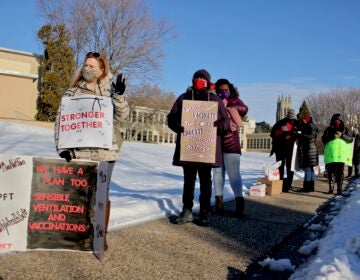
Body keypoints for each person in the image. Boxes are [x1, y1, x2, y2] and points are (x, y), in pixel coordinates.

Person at [54, 52, 129, 247]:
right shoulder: (72, 93)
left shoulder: (110, 92)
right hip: (81, 151)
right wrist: (62, 147)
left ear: (102, 70)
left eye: (92, 66)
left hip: (106, 152)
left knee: (102, 194)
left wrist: (119, 96)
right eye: (85, 65)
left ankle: (100, 235)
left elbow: (123, 117)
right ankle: (80, 232)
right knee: (81, 194)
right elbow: (61, 120)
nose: (87, 69)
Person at [167, 69, 230, 226]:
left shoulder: (214, 100)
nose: (199, 80)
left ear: (208, 81)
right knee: (188, 181)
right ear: (193, 80)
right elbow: (171, 118)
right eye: (197, 78)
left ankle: (204, 212)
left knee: (205, 181)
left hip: (206, 149)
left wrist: (216, 125)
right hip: (189, 146)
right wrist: (179, 127)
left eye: (203, 78)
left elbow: (226, 122)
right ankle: (187, 210)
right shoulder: (184, 98)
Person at [212, 78, 248, 217]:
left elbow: (244, 110)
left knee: (234, 174)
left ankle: (239, 204)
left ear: (230, 90)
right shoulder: (213, 100)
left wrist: (231, 106)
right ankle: (219, 204)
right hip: (216, 142)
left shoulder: (235, 100)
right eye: (220, 90)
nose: (223, 92)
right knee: (217, 174)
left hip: (231, 143)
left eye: (226, 90)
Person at [322, 113, 353, 195]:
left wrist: (342, 135)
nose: (337, 121)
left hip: (341, 155)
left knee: (339, 173)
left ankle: (339, 190)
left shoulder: (345, 129)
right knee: (330, 173)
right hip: (331, 155)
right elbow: (323, 139)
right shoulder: (328, 129)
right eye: (335, 120)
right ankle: (331, 189)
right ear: (332, 120)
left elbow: (350, 139)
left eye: (338, 120)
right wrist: (332, 136)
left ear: (341, 120)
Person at [270, 109, 300, 192]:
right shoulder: (280, 123)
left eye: (292, 118)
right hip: (280, 149)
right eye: (290, 118)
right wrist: (282, 133)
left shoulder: (297, 123)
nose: (291, 120)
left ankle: (288, 185)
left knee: (290, 168)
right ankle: (280, 184)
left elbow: (301, 133)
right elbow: (272, 133)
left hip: (292, 150)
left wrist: (295, 134)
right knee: (280, 167)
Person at [297, 114, 319, 192]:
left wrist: (301, 135)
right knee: (311, 169)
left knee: (308, 168)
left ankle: (306, 187)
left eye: (304, 120)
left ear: (307, 120)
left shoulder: (310, 126)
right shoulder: (311, 126)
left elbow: (311, 136)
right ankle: (311, 187)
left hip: (309, 150)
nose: (303, 122)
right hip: (311, 150)